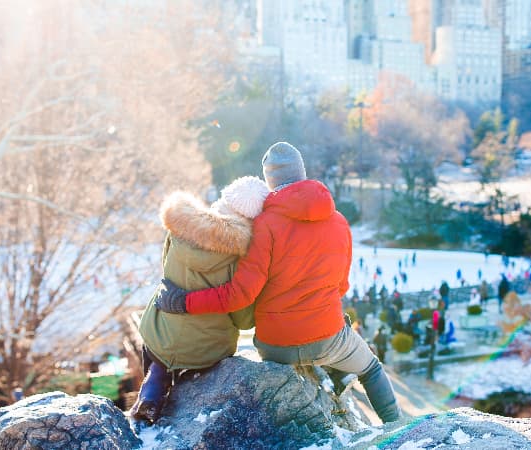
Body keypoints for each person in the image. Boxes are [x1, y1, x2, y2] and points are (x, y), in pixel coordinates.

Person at [154, 142, 400, 423]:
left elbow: (240, 295)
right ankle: (399, 428)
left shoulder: (264, 225)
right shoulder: (339, 222)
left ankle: (330, 374)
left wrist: (183, 301)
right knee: (371, 369)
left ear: (270, 182)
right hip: (327, 336)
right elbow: (341, 286)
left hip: (276, 346)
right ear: (303, 174)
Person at [129, 176, 270, 424]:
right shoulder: (241, 258)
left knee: (159, 348)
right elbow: (243, 319)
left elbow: (167, 273)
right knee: (198, 354)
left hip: (161, 334)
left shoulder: (180, 229)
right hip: (208, 350)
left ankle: (154, 383)